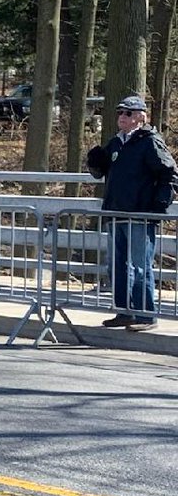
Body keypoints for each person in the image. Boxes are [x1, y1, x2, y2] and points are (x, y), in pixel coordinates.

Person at [85, 95, 178, 332]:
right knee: (117, 266)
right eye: (120, 113)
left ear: (140, 117)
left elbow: (169, 174)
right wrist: (95, 162)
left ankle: (146, 315)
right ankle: (124, 311)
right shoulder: (116, 143)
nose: (122, 118)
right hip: (116, 213)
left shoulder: (150, 142)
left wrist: (159, 205)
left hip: (140, 214)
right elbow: (100, 173)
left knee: (139, 266)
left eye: (127, 113)